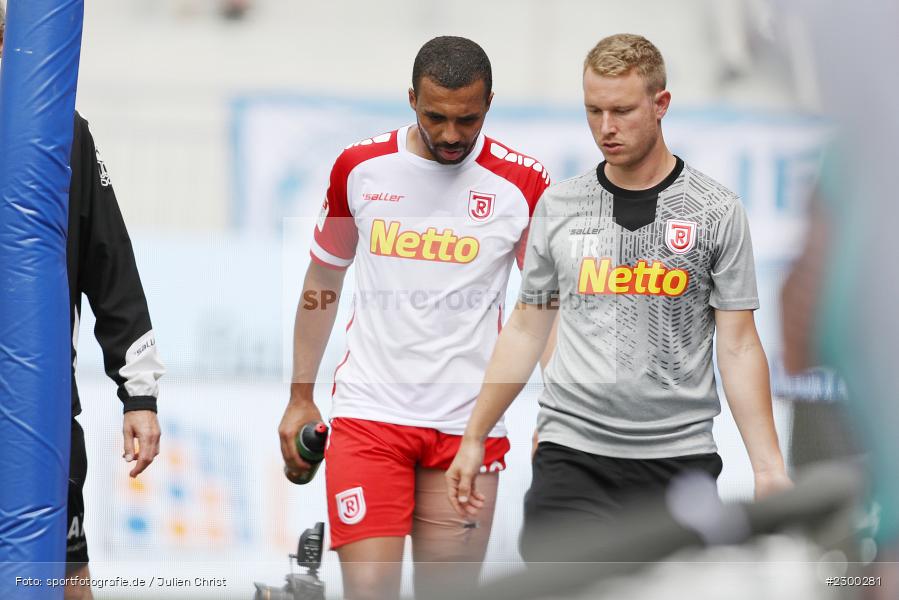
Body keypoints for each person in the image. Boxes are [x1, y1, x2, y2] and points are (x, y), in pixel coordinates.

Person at [445, 33, 792, 562]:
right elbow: (525, 327)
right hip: (572, 452)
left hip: (678, 460)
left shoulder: (716, 210)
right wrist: (474, 436)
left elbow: (740, 346)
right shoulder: (561, 205)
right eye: (593, 110)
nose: (606, 128)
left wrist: (768, 469)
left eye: (622, 110)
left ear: (661, 104)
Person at [277, 36, 551, 600]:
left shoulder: (524, 184)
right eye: (436, 117)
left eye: (467, 119)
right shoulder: (359, 168)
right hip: (370, 417)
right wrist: (301, 395)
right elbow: (324, 280)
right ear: (411, 100)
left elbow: (545, 308)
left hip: (469, 429)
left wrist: (560, 409)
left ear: (490, 104)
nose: (452, 134)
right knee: (371, 590)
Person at [1, 14, 165, 597]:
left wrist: (138, 394)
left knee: (66, 575)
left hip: (34, 410)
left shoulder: (62, 135)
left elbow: (110, 262)